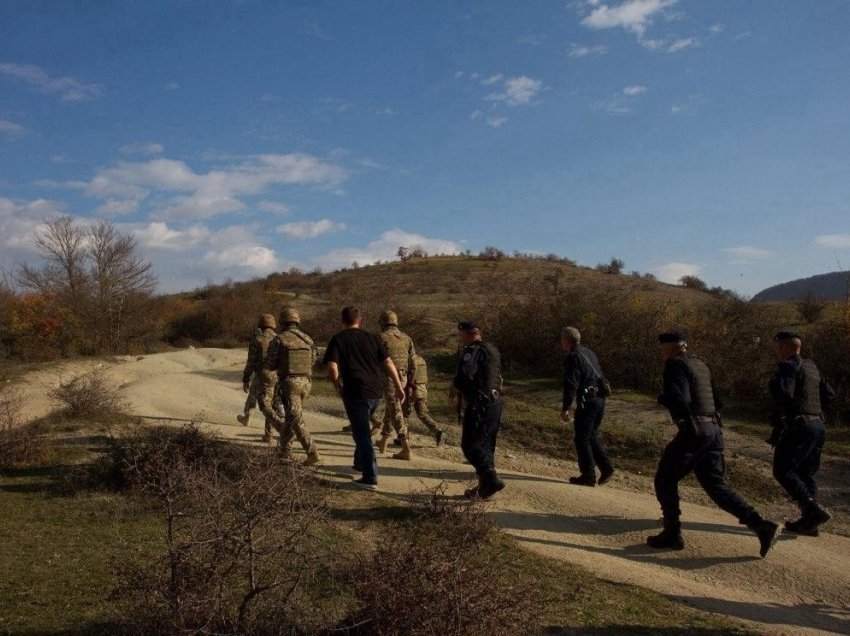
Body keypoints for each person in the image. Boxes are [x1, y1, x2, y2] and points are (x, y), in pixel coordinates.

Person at [649, 331, 777, 557]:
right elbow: (717, 401)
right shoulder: (700, 365)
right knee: (715, 484)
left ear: (670, 347)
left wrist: (664, 399)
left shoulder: (674, 365)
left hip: (695, 431)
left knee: (665, 477)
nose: (660, 352)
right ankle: (760, 525)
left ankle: (672, 532)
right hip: (714, 430)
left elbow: (681, 399)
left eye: (662, 348)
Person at [324, 306, 406, 490]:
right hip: (376, 392)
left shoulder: (338, 339)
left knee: (361, 433)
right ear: (359, 321)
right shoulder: (372, 337)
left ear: (342, 321)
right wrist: (400, 387)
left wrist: (337, 386)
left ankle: (370, 477)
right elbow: (388, 362)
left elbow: (332, 368)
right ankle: (360, 463)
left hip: (355, 392)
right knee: (361, 428)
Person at [769, 331, 835, 536]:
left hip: (799, 426)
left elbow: (784, 394)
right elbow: (830, 396)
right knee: (806, 473)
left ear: (784, 348)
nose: (777, 351)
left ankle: (811, 509)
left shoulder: (788, 367)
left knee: (783, 470)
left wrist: (786, 415)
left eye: (778, 347)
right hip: (818, 425)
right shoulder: (811, 368)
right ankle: (810, 523)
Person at [453, 320, 505, 500]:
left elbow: (465, 376)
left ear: (467, 334)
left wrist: (458, 393)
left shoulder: (470, 351)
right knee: (486, 445)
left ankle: (491, 478)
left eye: (461, 335)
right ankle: (484, 488)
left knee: (470, 445)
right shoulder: (492, 350)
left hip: (480, 402)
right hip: (496, 401)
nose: (461, 339)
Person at [560, 327, 614, 486]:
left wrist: (565, 408)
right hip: (600, 399)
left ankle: (588, 475)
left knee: (581, 438)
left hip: (587, 401)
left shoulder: (573, 357)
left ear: (567, 340)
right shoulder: (589, 352)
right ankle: (606, 467)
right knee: (590, 435)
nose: (561, 342)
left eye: (562, 339)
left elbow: (571, 384)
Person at [266, 307, 321, 465]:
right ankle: (284, 451)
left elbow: (270, 365)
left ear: (282, 321)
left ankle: (312, 452)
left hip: (290, 383)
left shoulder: (279, 339)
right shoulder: (308, 339)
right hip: (306, 382)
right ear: (297, 321)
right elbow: (314, 359)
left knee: (296, 419)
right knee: (291, 417)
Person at [376, 310, 416, 460]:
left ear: (382, 323)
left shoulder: (381, 337)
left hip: (388, 377)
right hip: (404, 376)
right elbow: (413, 362)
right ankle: (384, 442)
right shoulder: (406, 338)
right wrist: (409, 379)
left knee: (395, 408)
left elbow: (376, 359)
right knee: (392, 406)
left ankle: (405, 446)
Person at [240, 314, 283, 444]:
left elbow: (251, 363)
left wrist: (246, 378)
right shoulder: (280, 339)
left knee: (264, 403)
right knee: (274, 405)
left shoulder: (257, 340)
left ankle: (280, 429)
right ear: (273, 325)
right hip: (279, 376)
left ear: (261, 325)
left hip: (263, 375)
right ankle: (268, 435)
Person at [402, 353, 445, 446]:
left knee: (404, 413)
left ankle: (404, 438)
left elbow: (412, 373)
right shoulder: (421, 359)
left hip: (412, 389)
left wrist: (409, 385)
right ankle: (438, 431)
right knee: (422, 413)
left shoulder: (411, 360)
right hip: (422, 389)